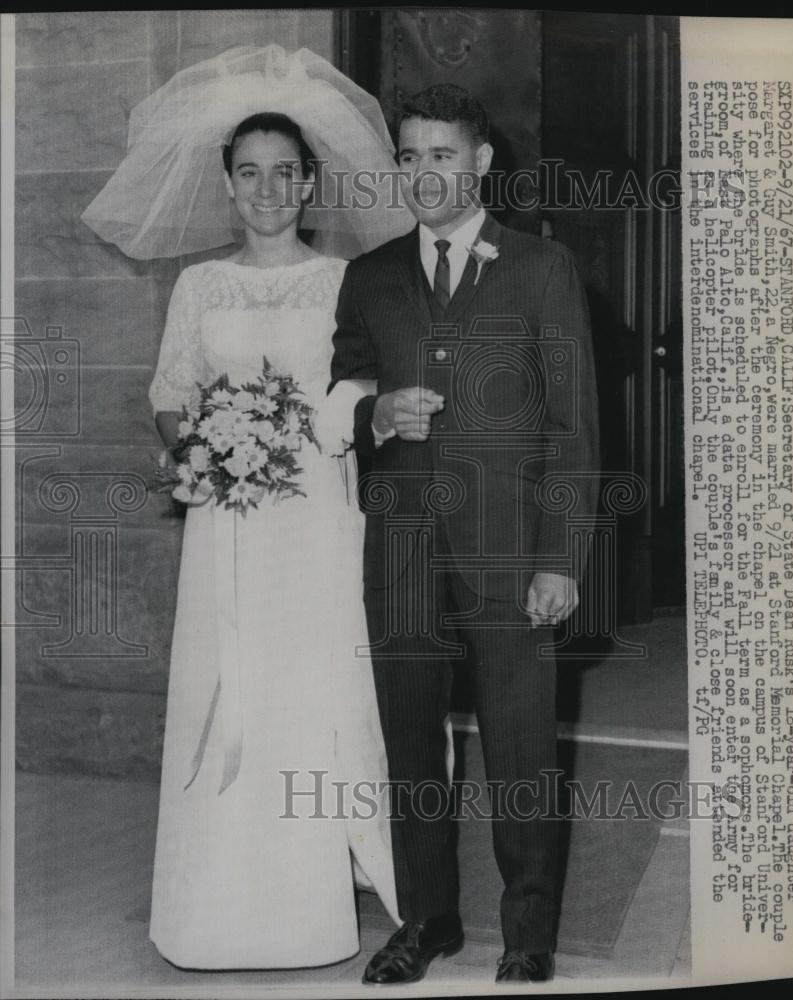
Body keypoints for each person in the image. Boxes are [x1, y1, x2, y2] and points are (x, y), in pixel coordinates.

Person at [81, 45, 415, 970]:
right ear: (227, 186)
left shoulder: (342, 280)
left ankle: (312, 895)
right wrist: (199, 442)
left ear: (309, 185)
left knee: (309, 683)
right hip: (227, 516)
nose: (267, 190)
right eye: (249, 174)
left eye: (284, 173)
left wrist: (302, 429)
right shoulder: (200, 285)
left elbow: (361, 390)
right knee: (227, 682)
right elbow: (168, 389)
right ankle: (218, 902)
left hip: (314, 515)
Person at [330, 83, 600, 985]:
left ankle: (527, 935)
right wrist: (374, 414)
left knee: (521, 747)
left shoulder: (540, 267)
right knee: (411, 745)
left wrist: (560, 562)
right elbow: (343, 390)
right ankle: (427, 920)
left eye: (441, 155)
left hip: (512, 552)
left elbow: (573, 428)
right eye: (408, 157)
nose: (422, 174)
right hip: (401, 552)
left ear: (479, 162)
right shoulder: (369, 275)